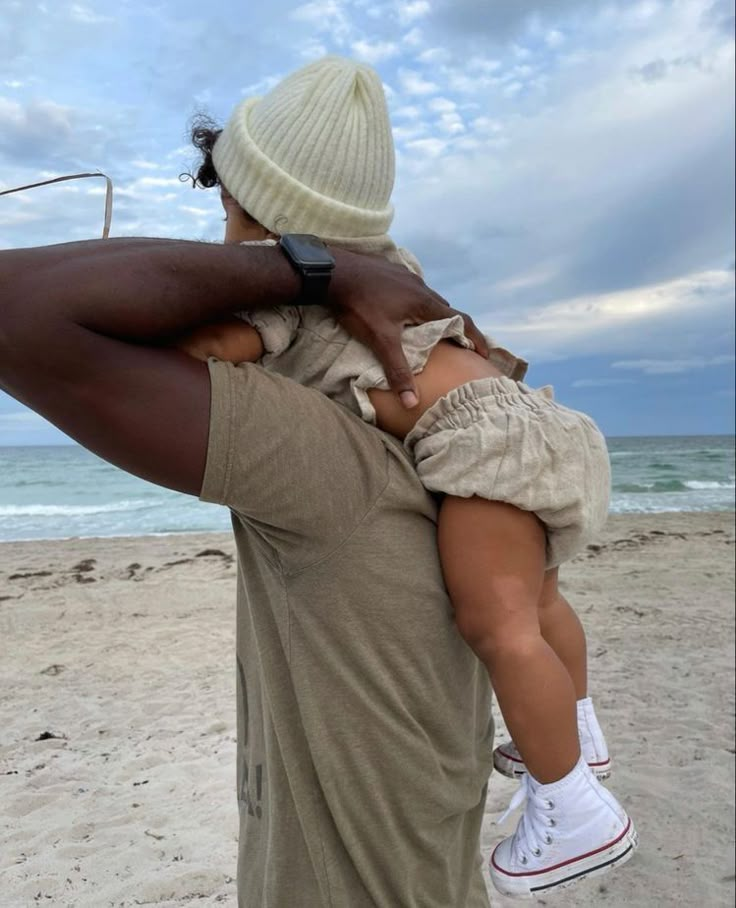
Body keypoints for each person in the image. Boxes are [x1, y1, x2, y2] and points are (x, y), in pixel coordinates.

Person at [174, 56, 638, 898]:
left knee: (495, 626)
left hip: (479, 451)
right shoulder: (390, 270)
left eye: (227, 207)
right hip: (527, 426)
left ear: (257, 211)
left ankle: (572, 802)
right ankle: (578, 729)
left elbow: (201, 355)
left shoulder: (288, 297)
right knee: (537, 606)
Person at [0, 218, 503, 904]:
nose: (221, 241)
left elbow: (13, 307)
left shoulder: (330, 464)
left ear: (282, 227)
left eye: (233, 212)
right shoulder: (434, 442)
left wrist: (314, 273)